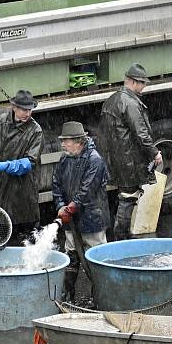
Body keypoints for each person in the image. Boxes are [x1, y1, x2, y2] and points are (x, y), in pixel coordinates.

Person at [100, 63, 162, 240]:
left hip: (115, 158)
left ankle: (116, 237)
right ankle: (121, 239)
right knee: (128, 198)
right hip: (129, 161)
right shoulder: (131, 103)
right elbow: (141, 133)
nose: (144, 87)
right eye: (143, 83)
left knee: (121, 197)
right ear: (134, 82)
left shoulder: (111, 100)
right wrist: (154, 153)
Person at [0, 90, 44, 241]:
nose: (27, 113)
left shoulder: (36, 131)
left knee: (25, 241)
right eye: (24, 109)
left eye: (30, 110)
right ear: (14, 107)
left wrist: (6, 166)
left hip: (23, 194)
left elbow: (29, 163)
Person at [52, 121, 110, 302]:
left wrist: (70, 208)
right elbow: (56, 183)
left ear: (79, 141)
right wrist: (61, 205)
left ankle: (101, 297)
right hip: (72, 218)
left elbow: (87, 190)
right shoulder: (65, 159)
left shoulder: (95, 160)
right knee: (71, 254)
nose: (63, 144)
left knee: (97, 256)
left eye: (66, 141)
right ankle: (68, 296)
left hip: (92, 217)